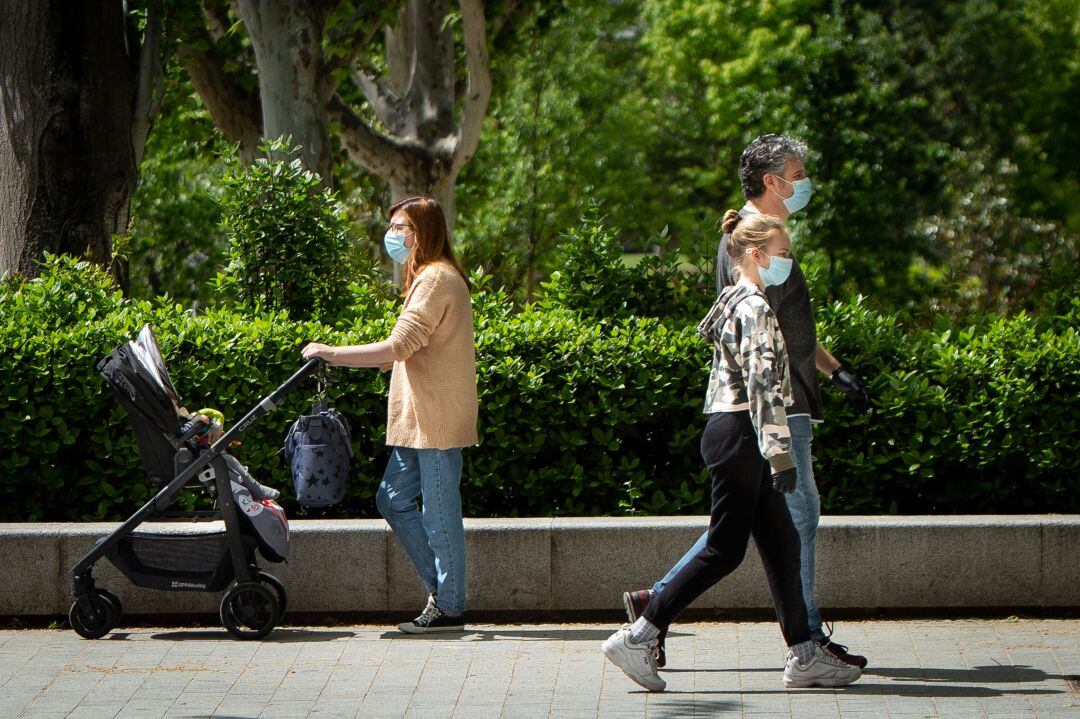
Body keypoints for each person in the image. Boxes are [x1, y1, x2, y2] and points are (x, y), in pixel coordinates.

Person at [621, 134, 870, 669]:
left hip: (776, 408)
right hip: (768, 413)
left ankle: (801, 647)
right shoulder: (749, 247)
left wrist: (833, 369)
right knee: (770, 531)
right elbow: (759, 353)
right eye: (797, 174)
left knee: (770, 534)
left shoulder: (767, 239)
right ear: (771, 181)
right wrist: (778, 447)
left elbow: (791, 333)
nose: (804, 183)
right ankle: (655, 617)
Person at [302, 195, 478, 633]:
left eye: (402, 228)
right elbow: (411, 345)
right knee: (392, 498)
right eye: (393, 227)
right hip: (418, 422)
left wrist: (331, 353)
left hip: (434, 421)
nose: (393, 236)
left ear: (424, 233)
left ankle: (450, 605)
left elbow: (400, 345)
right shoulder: (427, 278)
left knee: (439, 516)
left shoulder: (436, 278)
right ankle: (443, 591)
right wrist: (384, 357)